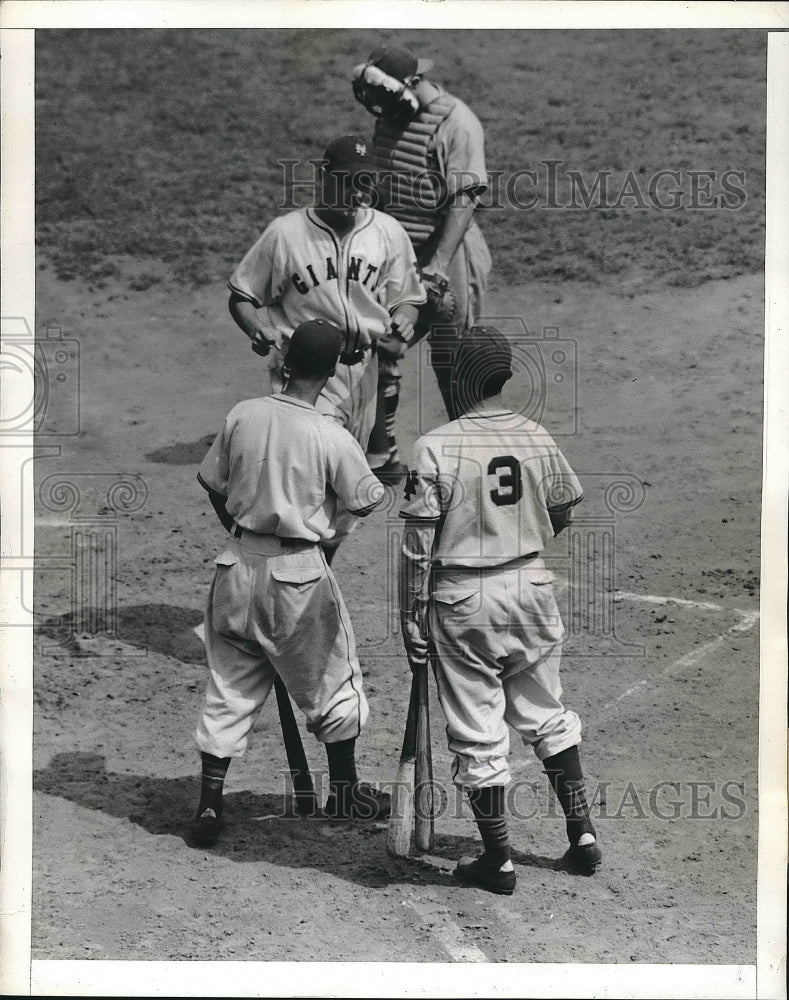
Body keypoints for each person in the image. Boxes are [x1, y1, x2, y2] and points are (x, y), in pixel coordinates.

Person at [398, 326, 601, 895]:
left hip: (463, 601)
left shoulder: (433, 446)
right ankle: (582, 834)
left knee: (478, 730)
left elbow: (417, 546)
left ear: (456, 379)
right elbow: (563, 507)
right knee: (547, 712)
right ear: (506, 376)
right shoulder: (534, 433)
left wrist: (411, 617)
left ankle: (498, 860)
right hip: (532, 586)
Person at [191, 320, 390, 847]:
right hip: (298, 576)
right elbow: (368, 499)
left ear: (285, 363)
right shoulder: (330, 433)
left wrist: (243, 530)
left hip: (234, 566)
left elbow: (212, 483)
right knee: (334, 683)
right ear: (331, 373)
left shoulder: (243, 414)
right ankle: (345, 792)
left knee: (229, 686)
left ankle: (210, 804)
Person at [227, 134, 426, 562]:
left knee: (345, 491)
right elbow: (242, 295)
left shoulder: (387, 232)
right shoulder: (286, 235)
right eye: (347, 181)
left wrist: (406, 315)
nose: (356, 192)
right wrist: (254, 327)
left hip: (363, 373)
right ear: (323, 177)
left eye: (365, 182)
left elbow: (408, 295)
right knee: (310, 480)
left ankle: (316, 573)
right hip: (305, 375)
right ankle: (284, 571)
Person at [352, 45, 493, 480]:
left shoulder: (456, 122)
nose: (383, 110)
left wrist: (437, 266)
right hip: (399, 254)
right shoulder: (392, 115)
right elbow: (392, 182)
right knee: (384, 346)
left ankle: (470, 456)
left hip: (447, 253)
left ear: (413, 84)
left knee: (452, 359)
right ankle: (382, 455)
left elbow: (464, 198)